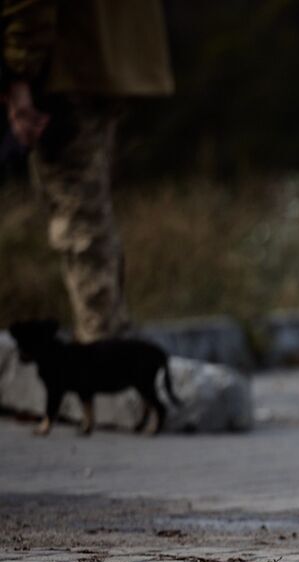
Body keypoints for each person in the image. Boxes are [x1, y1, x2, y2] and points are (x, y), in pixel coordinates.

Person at [1, 0, 173, 342]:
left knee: (78, 218)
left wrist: (17, 73)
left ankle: (104, 348)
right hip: (102, 60)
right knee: (92, 213)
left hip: (62, 67)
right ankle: (113, 342)